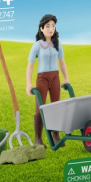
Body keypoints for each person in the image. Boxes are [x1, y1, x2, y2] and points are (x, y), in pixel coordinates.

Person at [26, 14, 69, 148]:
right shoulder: (37, 45)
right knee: (40, 107)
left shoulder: (58, 44)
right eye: (48, 26)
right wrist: (29, 83)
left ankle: (56, 136)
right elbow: (30, 65)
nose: (51, 29)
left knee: (56, 105)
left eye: (53, 26)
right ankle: (38, 138)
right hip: (42, 78)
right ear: (41, 28)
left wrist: (66, 78)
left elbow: (62, 62)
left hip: (55, 77)